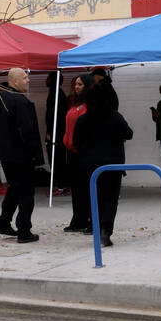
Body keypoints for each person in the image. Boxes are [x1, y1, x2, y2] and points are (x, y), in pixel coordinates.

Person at [72, 76, 133, 246]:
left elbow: (76, 143)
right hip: (113, 165)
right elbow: (129, 133)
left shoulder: (83, 119)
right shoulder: (115, 117)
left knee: (94, 198)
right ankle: (105, 231)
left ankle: (96, 228)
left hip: (89, 166)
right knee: (110, 200)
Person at [0, 68, 43, 243]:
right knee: (26, 192)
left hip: (5, 153)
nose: (28, 80)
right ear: (14, 81)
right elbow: (27, 131)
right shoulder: (20, 101)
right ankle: (24, 230)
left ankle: (3, 222)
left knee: (14, 187)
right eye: (24, 78)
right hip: (21, 155)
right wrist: (34, 155)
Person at [62, 73, 93, 232]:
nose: (76, 87)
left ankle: (89, 219)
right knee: (77, 189)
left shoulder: (89, 105)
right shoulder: (75, 104)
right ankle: (78, 219)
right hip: (72, 152)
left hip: (83, 153)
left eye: (80, 84)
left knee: (85, 188)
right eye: (75, 84)